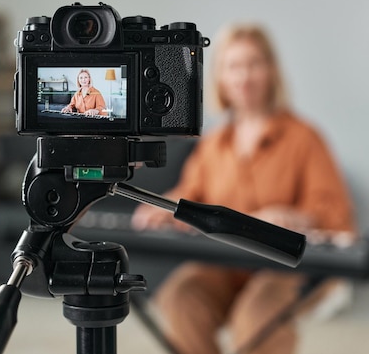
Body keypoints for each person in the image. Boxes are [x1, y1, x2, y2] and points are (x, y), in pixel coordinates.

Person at [131, 24, 356, 354]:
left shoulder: (305, 138)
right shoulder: (212, 145)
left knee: (256, 314)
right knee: (180, 297)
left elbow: (335, 215)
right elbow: (188, 195)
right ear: (221, 77)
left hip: (283, 268)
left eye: (254, 64)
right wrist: (160, 208)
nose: (244, 77)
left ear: (271, 70)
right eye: (233, 66)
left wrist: (295, 217)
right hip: (223, 263)